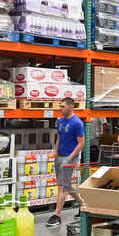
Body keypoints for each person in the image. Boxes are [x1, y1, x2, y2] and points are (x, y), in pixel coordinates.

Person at [46, 97, 85, 227]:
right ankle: (83, 205)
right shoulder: (60, 121)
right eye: (60, 106)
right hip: (60, 156)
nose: (60, 108)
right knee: (66, 184)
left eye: (62, 106)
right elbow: (59, 138)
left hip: (69, 157)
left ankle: (56, 216)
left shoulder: (77, 123)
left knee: (62, 185)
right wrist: (56, 153)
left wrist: (70, 158)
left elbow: (81, 144)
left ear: (71, 107)